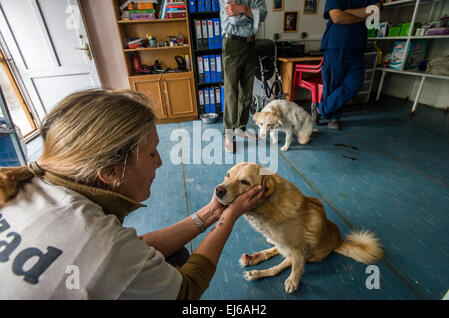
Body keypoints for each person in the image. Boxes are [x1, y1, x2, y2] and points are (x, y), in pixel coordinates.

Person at [0, 89, 265, 299]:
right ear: (110, 172)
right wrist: (229, 217)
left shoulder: (29, 186)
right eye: (152, 153)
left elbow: (135, 250)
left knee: (173, 256)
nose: (159, 162)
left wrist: (210, 213)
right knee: (176, 265)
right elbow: (186, 290)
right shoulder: (100, 241)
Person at [316, 0, 382, 130]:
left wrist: (347, 14)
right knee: (333, 83)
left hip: (358, 45)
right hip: (336, 43)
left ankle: (320, 109)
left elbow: (376, 10)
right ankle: (334, 117)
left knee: (355, 84)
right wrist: (362, 16)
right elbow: (337, 17)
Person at [220, 0, 267, 152]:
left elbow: (264, 15)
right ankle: (229, 134)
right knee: (231, 92)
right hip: (232, 43)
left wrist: (244, 9)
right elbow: (234, 19)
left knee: (247, 90)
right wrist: (253, 14)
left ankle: (241, 127)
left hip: (250, 44)